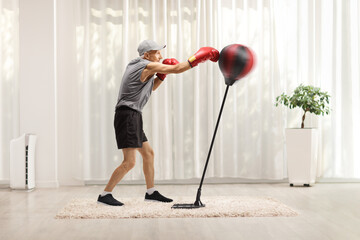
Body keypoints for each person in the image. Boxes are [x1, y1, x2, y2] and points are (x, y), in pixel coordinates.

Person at [97, 39, 219, 206]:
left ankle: (151, 191)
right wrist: (197, 58)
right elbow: (178, 69)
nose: (161, 56)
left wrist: (161, 76)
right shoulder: (147, 65)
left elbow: (150, 88)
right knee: (130, 162)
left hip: (133, 114)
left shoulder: (137, 65)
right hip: (127, 116)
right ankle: (105, 194)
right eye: (157, 52)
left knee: (148, 154)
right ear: (147, 55)